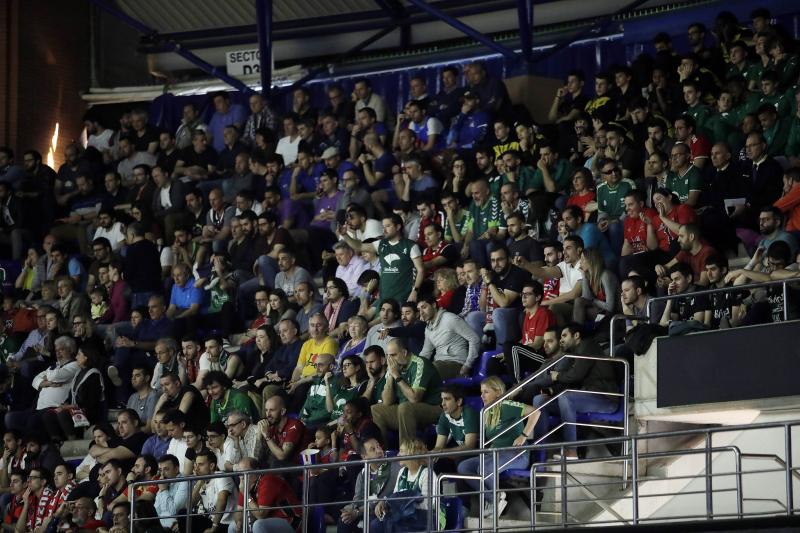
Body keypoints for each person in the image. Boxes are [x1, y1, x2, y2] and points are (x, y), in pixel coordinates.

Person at [532, 324, 619, 458]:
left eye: (564, 336)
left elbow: (575, 374)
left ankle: (571, 450)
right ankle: (539, 451)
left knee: (567, 398)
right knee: (539, 400)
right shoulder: (575, 352)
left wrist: (558, 376)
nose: (561, 340)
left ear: (576, 336)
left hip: (605, 397)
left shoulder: (588, 346)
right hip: (586, 396)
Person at [457, 376, 538, 517]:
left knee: (485, 467)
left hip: (516, 454)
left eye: (486, 392)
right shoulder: (487, 411)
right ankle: (494, 497)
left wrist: (524, 435)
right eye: (481, 392)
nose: (482, 396)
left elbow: (535, 412)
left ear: (498, 392)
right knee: (464, 467)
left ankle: (494, 500)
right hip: (496, 453)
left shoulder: (506, 405)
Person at [371, 338, 442, 444]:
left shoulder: (420, 363)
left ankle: (406, 453)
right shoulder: (394, 367)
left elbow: (414, 398)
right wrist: (390, 377)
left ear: (404, 352)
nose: (390, 360)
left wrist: (397, 376)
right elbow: (387, 401)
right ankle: (382, 453)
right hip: (405, 411)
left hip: (434, 409)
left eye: (393, 355)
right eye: (388, 356)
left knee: (405, 407)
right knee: (376, 409)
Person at [370, 438, 444, 532]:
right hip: (406, 515)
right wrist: (384, 502)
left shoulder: (427, 473)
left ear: (411, 453)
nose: (397, 455)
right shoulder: (402, 472)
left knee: (397, 527)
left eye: (401, 451)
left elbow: (427, 505)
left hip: (430, 517)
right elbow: (396, 495)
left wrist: (402, 505)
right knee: (376, 525)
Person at [337, 437, 401, 533]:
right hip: (367, 511)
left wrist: (358, 511)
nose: (379, 451)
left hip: (386, 509)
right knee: (343, 520)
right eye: (373, 449)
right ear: (364, 456)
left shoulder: (395, 466)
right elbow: (358, 499)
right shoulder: (362, 474)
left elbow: (393, 495)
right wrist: (350, 510)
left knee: (372, 522)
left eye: (378, 446)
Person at [230, 456, 302, 533]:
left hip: (291, 521)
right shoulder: (245, 484)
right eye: (240, 473)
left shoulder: (268, 480)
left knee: (259, 525)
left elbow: (260, 515)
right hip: (268, 522)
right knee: (233, 526)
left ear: (256, 471)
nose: (242, 477)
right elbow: (239, 511)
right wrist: (239, 521)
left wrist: (246, 494)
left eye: (246, 472)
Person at [416, 296, 481, 380]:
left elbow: (474, 339)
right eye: (419, 310)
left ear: (434, 305)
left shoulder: (450, 319)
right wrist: (414, 367)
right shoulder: (428, 328)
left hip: (457, 363)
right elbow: (426, 352)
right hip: (439, 363)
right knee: (416, 372)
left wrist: (467, 365)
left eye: (424, 307)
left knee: (430, 370)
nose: (421, 313)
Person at [502, 280, 556, 380]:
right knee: (494, 361)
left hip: (540, 357)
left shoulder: (543, 313)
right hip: (528, 353)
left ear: (538, 297)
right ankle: (498, 391)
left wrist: (511, 350)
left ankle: (517, 386)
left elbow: (538, 344)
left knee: (510, 346)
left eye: (528, 294)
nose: (523, 297)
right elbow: (524, 341)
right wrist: (507, 353)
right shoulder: (527, 315)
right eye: (522, 294)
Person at [258, 394, 304, 468]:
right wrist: (260, 433)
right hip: (282, 468)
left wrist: (267, 436)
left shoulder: (294, 425)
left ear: (282, 411)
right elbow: (259, 455)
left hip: (299, 467)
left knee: (275, 462)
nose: (268, 414)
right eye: (266, 410)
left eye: (272, 410)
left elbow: (282, 456)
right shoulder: (271, 427)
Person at [432, 385, 479, 456]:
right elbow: (439, 447)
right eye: (442, 399)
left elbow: (470, 446)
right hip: (464, 454)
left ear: (459, 401)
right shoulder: (444, 416)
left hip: (481, 453)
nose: (443, 404)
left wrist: (441, 452)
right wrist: (431, 454)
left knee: (461, 465)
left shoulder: (469, 413)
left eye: (447, 399)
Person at [153, 454, 189, 530]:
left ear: (176, 469)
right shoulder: (164, 484)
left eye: (166, 469)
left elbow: (174, 511)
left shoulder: (184, 482)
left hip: (177, 526)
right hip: (163, 526)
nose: (162, 474)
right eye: (160, 470)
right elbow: (157, 511)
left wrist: (164, 490)